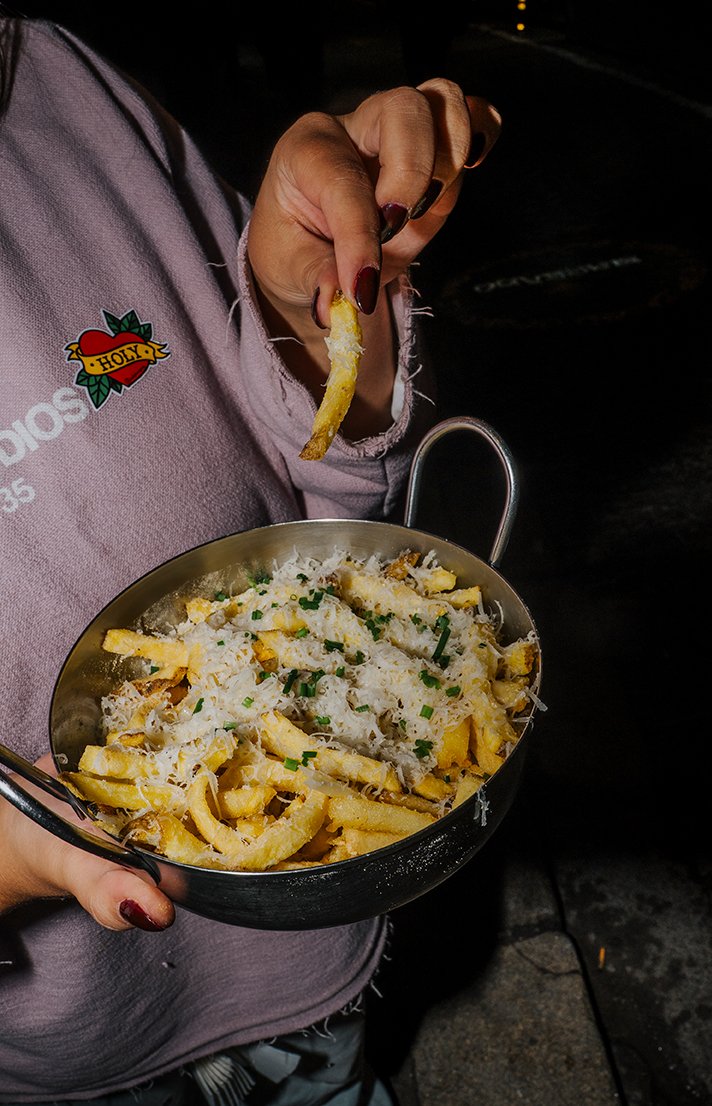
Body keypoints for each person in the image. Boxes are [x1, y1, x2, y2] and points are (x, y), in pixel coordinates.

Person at [0, 13, 501, 1105]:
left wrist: (299, 307)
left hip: (318, 921)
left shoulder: (48, 72)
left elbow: (322, 472)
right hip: (69, 1032)